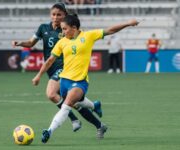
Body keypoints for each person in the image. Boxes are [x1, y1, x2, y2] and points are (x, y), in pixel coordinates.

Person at [32, 14, 139, 143]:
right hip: (64, 81)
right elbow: (50, 60)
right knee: (77, 105)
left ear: (74, 27)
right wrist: (39, 75)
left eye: (65, 29)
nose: (62, 32)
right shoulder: (62, 42)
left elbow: (110, 30)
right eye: (62, 29)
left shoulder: (88, 36)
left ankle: (49, 131)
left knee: (67, 105)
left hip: (80, 81)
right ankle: (96, 113)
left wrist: (128, 23)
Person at [12, 3, 107, 138]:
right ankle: (97, 120)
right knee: (75, 103)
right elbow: (31, 43)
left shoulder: (67, 31)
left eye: (59, 15)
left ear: (65, 16)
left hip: (64, 68)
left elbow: (80, 38)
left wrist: (38, 75)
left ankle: (73, 120)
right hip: (51, 68)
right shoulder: (43, 28)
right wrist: (20, 43)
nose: (55, 17)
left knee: (51, 94)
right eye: (53, 14)